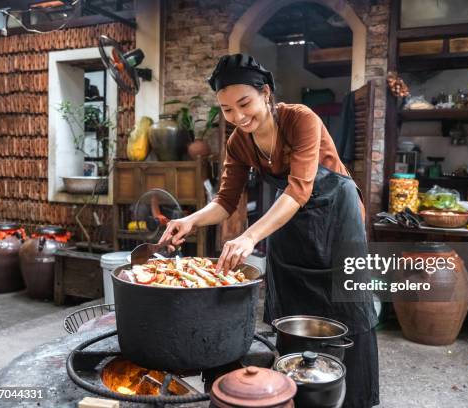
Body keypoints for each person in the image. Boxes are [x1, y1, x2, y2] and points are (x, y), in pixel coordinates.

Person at [159, 54, 379, 407]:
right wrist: (190, 220)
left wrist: (249, 236)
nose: (239, 117)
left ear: (266, 94)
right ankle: (296, 393)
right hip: (288, 219)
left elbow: (299, 189)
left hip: (337, 216)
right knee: (292, 305)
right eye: (227, 110)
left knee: (347, 306)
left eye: (244, 103)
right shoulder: (238, 142)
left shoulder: (299, 119)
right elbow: (225, 202)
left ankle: (353, 400)